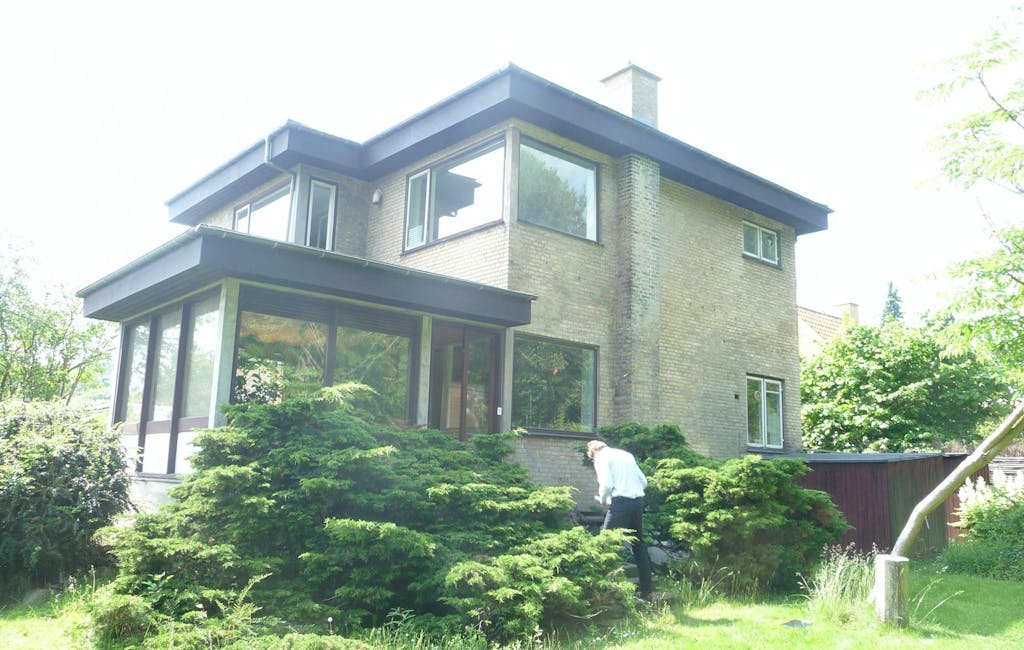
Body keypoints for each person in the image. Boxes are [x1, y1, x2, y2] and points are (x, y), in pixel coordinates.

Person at [587, 439, 654, 601]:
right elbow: (644, 482)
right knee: (638, 545)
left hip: (620, 503)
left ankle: (603, 593)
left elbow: (606, 485)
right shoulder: (626, 455)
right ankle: (648, 591)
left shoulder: (601, 458)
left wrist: (604, 499)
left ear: (593, 453)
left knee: (605, 544)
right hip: (637, 502)